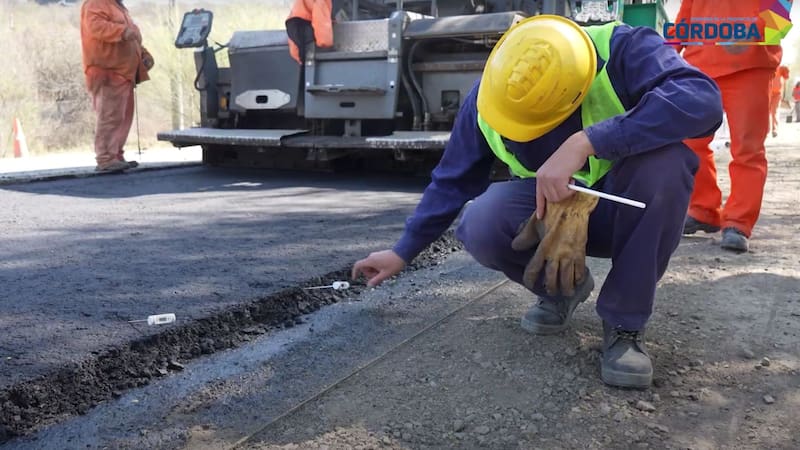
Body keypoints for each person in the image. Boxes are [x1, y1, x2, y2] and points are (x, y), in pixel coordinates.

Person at [351, 15, 722, 389]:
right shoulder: (491, 96)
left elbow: (701, 100)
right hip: (552, 215)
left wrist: (588, 141)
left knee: (667, 165)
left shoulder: (622, 48)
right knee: (482, 220)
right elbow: (451, 181)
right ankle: (563, 289)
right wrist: (402, 251)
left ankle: (625, 323)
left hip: (626, 209)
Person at [674, 1, 786, 253]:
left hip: (750, 67)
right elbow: (686, 16)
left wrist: (750, 36)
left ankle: (738, 222)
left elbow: (780, 17)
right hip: (699, 67)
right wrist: (668, 49)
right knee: (689, 143)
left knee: (747, 148)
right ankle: (703, 209)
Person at [80, 0, 153, 173]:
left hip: (123, 72)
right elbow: (95, 26)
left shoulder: (117, 7)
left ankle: (116, 155)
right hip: (108, 71)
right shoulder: (96, 3)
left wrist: (143, 54)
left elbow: (131, 38)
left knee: (122, 117)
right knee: (110, 116)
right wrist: (123, 31)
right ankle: (106, 158)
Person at [769, 66, 789, 137]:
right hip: (767, 92)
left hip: (777, 93)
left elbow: (786, 77)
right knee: (766, 112)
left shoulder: (780, 67)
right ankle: (766, 130)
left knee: (774, 111)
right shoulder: (765, 65)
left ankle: (774, 129)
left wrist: (786, 71)